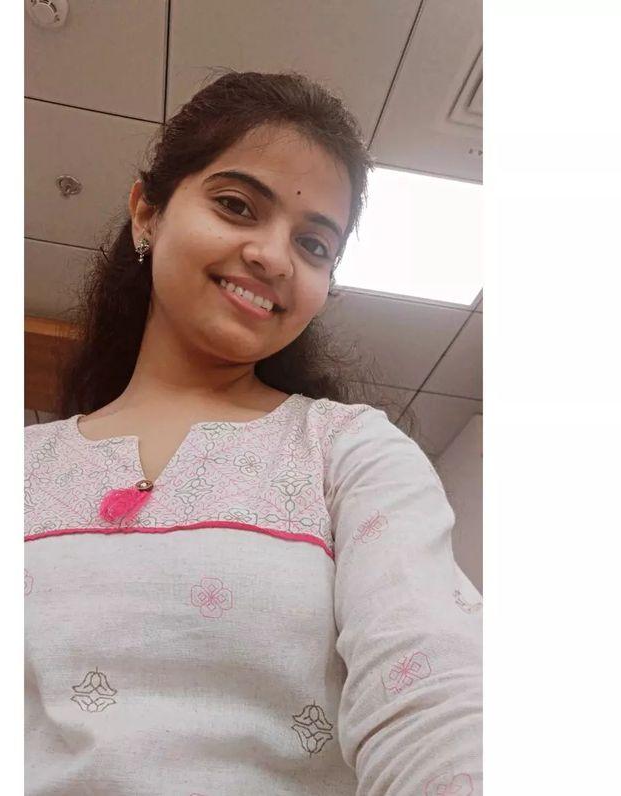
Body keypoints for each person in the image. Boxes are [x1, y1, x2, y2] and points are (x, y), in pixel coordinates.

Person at [25, 71, 482, 795]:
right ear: (147, 213)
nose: (274, 256)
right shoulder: (18, 468)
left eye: (314, 244)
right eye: (236, 206)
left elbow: (433, 690)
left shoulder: (350, 452)